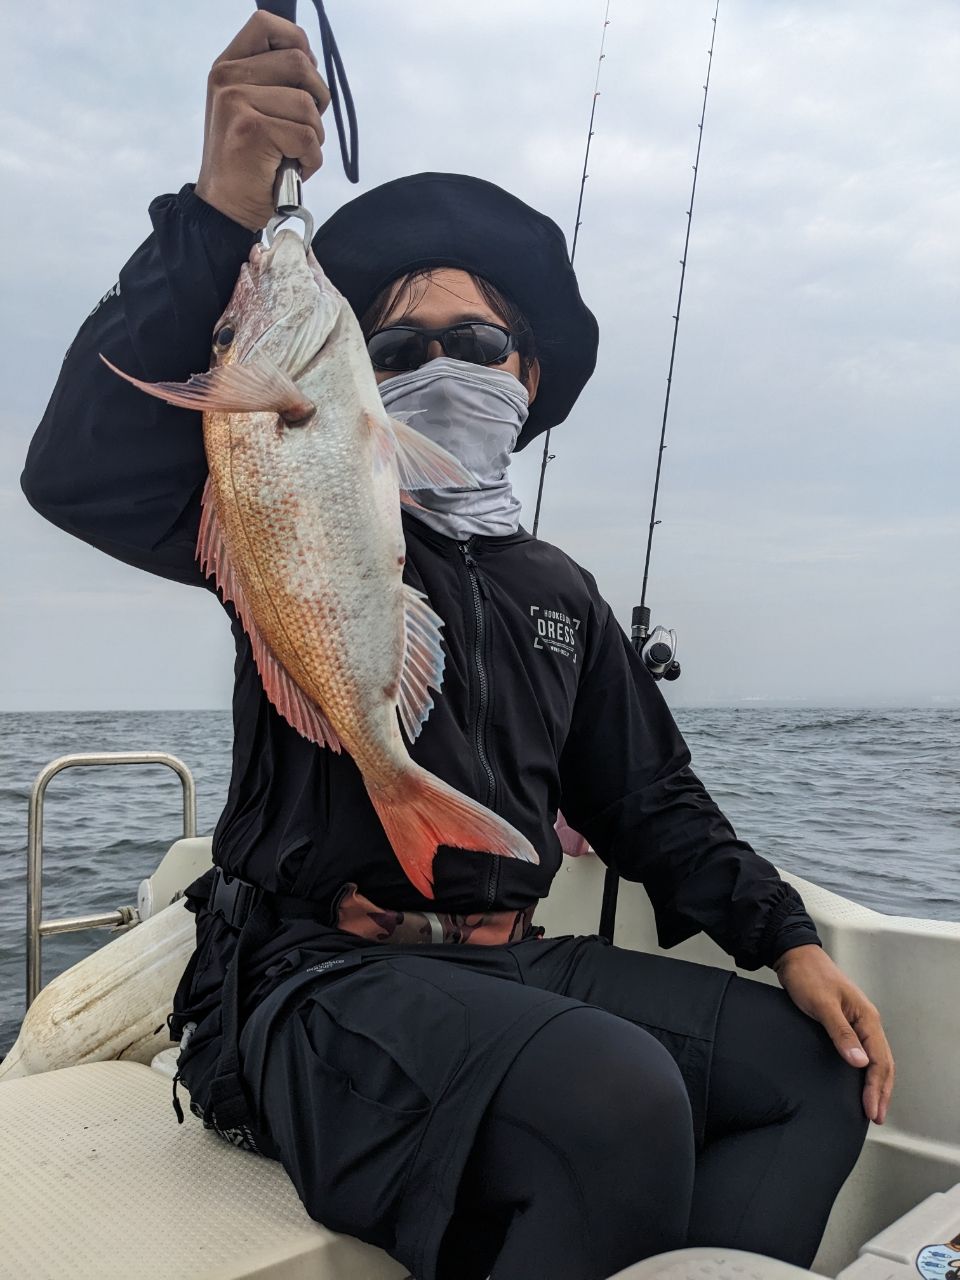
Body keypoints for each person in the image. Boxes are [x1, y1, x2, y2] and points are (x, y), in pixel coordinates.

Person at [21, 13, 894, 1280]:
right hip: (307, 977)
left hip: (511, 959)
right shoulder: (281, 499)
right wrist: (217, 215)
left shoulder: (562, 593)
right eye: (399, 345)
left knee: (822, 1069)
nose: (441, 361)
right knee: (619, 1096)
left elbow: (651, 801)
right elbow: (75, 471)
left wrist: (789, 938)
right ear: (354, 388)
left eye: (475, 341)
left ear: (525, 377)